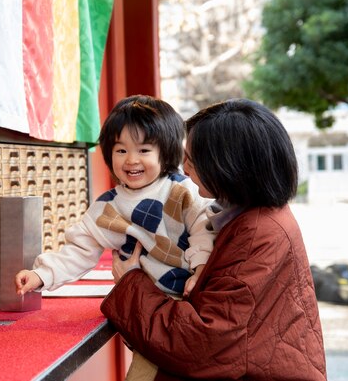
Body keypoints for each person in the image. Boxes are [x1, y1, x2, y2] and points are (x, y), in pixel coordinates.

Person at [101, 98, 327, 381]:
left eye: (192, 160)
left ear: (228, 167)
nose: (182, 168)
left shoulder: (258, 233)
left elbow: (203, 343)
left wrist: (130, 284)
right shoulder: (254, 215)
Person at [14, 95, 216, 379]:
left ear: (166, 152)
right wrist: (41, 275)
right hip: (146, 308)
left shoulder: (181, 191)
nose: (131, 160)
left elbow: (203, 230)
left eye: (144, 150)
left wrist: (200, 269)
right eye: (121, 150)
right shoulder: (108, 206)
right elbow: (80, 248)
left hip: (185, 305)